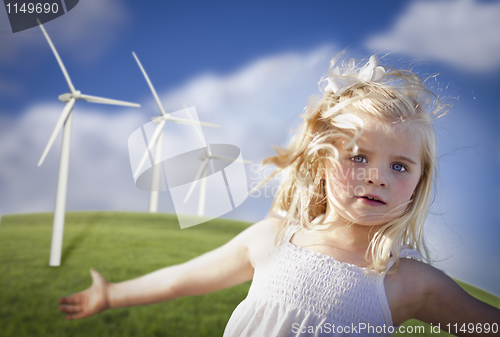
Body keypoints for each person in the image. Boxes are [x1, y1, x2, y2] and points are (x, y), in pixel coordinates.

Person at [59, 54, 500, 336]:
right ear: (323, 161)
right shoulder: (273, 239)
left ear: (419, 184)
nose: (377, 177)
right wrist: (112, 294)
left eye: (399, 166)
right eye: (358, 157)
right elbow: (182, 278)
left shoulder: (410, 282)